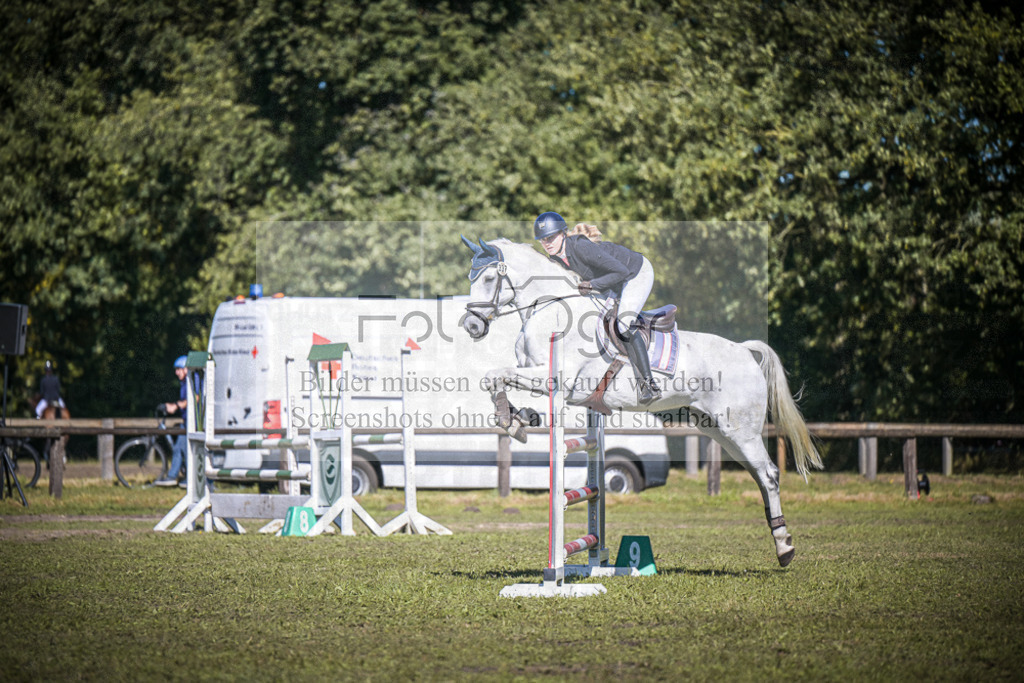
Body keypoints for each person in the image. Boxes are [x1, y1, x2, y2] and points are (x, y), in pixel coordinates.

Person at [534, 211, 662, 404]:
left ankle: (648, 384)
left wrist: (593, 285)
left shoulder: (580, 247)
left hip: (635, 273)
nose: (547, 243)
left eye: (551, 237)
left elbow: (621, 271)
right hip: (613, 282)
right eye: (543, 240)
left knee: (623, 324)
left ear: (563, 234)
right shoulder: (556, 260)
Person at [154, 355, 189, 487]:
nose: (176, 372)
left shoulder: (193, 380)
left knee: (184, 449)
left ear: (186, 369)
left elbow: (195, 398)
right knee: (178, 449)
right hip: (186, 422)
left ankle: (182, 477)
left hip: (193, 423)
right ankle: (172, 476)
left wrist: (175, 406)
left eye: (179, 369)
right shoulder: (184, 383)